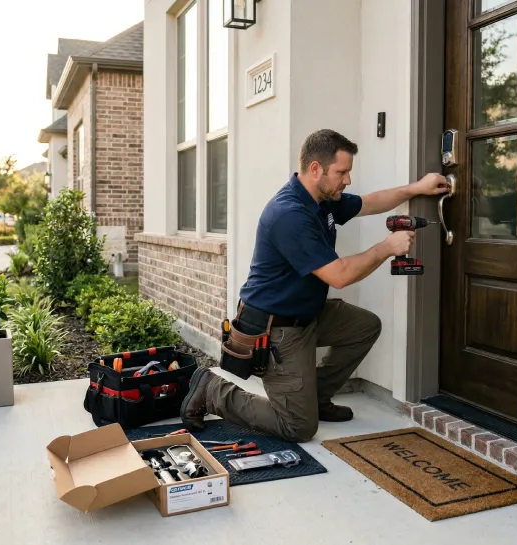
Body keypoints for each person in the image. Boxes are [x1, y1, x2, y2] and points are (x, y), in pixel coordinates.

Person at [180, 128, 449, 443]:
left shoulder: (322, 199)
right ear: (315, 169)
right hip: (276, 331)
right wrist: (387, 247)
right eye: (342, 172)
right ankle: (212, 391)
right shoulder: (289, 214)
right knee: (298, 427)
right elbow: (340, 275)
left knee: (364, 326)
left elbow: (370, 203)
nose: (347, 180)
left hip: (307, 316)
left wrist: (417, 187)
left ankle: (316, 398)